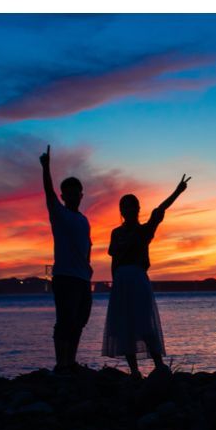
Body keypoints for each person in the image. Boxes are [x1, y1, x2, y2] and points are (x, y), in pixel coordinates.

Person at [102, 174, 191, 378]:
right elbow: (114, 260)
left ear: (137, 209)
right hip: (121, 281)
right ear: (121, 211)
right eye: (125, 207)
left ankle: (159, 366)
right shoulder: (116, 233)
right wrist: (115, 282)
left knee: (144, 322)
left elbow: (160, 210)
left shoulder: (145, 230)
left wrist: (177, 191)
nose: (128, 210)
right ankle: (134, 371)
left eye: (132, 206)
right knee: (125, 325)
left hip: (137, 278)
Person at [40, 144, 93, 375]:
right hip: (65, 277)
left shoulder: (84, 219)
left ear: (81, 195)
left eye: (76, 192)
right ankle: (61, 364)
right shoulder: (59, 213)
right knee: (65, 321)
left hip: (82, 278)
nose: (73, 196)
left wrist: (88, 271)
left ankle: (70, 361)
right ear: (64, 196)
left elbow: (86, 247)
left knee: (79, 321)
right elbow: (48, 193)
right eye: (68, 193)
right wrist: (46, 168)